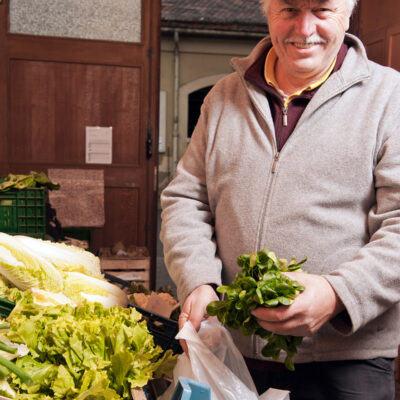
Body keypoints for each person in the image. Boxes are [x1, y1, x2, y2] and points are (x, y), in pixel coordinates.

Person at [160, 0, 400, 398]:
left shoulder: (391, 97)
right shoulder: (222, 96)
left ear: (348, 11)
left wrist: (338, 294)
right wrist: (198, 280)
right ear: (266, 10)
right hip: (233, 352)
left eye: (322, 10)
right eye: (288, 9)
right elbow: (186, 197)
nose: (304, 29)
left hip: (347, 360)